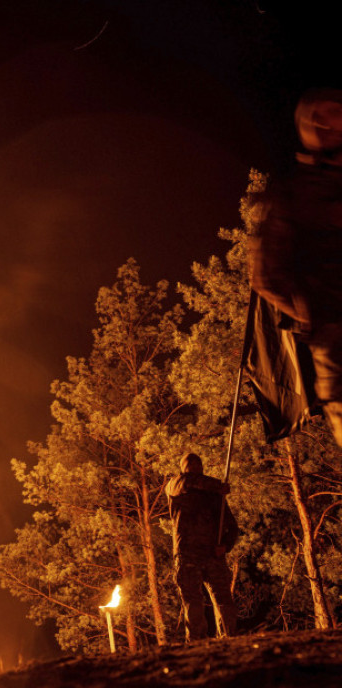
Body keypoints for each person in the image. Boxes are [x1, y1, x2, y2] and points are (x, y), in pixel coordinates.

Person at [250, 88, 342, 446]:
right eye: (314, 117)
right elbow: (266, 276)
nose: (323, 123)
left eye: (333, 113)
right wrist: (317, 318)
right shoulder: (290, 196)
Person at [165, 453, 239, 641]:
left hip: (213, 555)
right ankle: (197, 643)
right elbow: (189, 480)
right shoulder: (176, 485)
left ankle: (230, 640)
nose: (195, 466)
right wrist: (218, 486)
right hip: (188, 555)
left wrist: (225, 546)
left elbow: (232, 526)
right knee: (194, 602)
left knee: (224, 600)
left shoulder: (215, 497)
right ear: (182, 468)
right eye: (190, 463)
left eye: (198, 462)